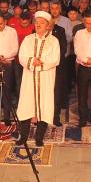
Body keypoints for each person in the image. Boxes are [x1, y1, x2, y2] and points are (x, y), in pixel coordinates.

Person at [16, 11, 61, 147]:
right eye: (36, 22)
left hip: (45, 78)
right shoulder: (28, 39)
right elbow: (22, 56)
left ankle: (39, 137)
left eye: (42, 23)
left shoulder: (54, 41)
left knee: (44, 106)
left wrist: (40, 62)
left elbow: (55, 59)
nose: (38, 25)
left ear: (48, 26)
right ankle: (23, 136)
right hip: (29, 78)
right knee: (26, 106)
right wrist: (31, 61)